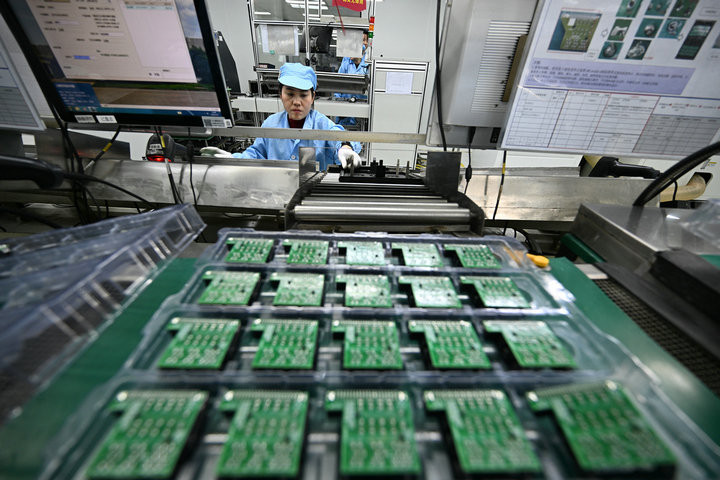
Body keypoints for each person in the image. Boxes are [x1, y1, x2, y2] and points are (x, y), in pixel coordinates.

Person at [202, 63, 361, 170]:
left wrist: (346, 148)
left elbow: (341, 137)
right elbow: (256, 154)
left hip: (312, 195)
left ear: (313, 97)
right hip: (276, 192)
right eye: (290, 94)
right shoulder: (271, 124)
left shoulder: (321, 124)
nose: (296, 102)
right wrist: (233, 159)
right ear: (280, 94)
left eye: (303, 95)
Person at [335, 30, 369, 127]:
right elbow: (338, 82)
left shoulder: (369, 62)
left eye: (364, 40)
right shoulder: (347, 59)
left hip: (361, 109)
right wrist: (337, 101)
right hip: (345, 109)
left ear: (367, 44)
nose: (361, 43)